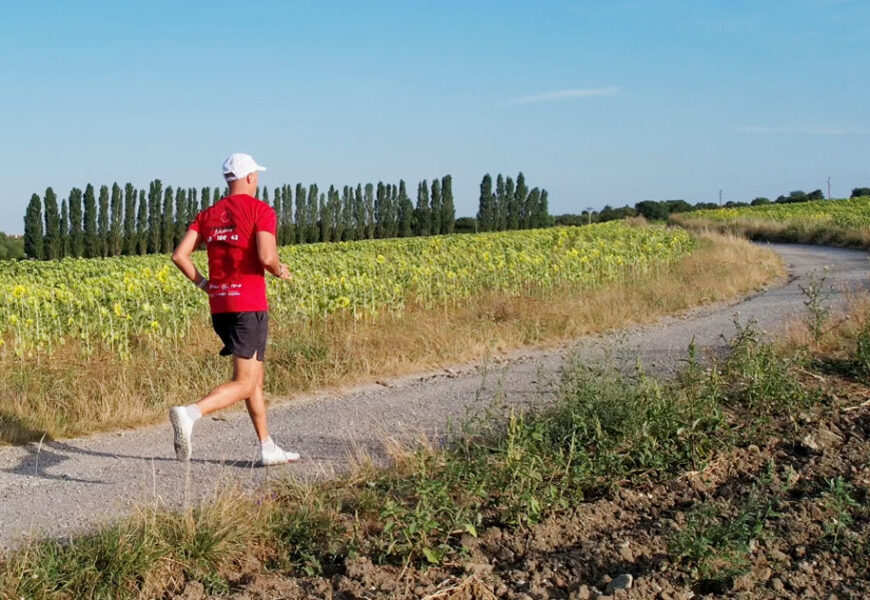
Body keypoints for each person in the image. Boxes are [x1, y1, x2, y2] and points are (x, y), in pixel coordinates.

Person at [169, 152, 299, 466]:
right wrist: (280, 270)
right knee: (244, 383)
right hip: (249, 305)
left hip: (221, 306)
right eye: (257, 175)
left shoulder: (208, 214)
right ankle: (190, 414)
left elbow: (180, 256)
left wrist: (204, 284)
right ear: (251, 177)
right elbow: (267, 257)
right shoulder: (261, 210)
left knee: (254, 379)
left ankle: (267, 447)